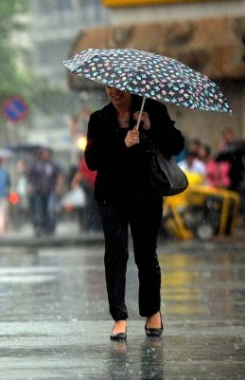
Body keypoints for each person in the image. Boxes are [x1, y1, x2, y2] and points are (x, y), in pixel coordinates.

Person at [85, 86, 184, 341]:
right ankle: (119, 317)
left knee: (146, 255)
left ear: (130, 87)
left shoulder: (151, 110)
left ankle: (152, 312)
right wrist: (122, 142)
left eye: (120, 89)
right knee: (116, 255)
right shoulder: (99, 118)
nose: (114, 93)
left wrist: (153, 127)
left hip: (146, 194)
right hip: (111, 197)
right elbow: (92, 159)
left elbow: (176, 145)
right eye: (109, 88)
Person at [25, 147, 63, 236]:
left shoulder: (54, 165)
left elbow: (60, 175)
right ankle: (40, 227)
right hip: (38, 190)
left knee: (51, 208)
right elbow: (29, 177)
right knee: (39, 209)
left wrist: (59, 186)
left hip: (51, 189)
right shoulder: (34, 165)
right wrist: (30, 186)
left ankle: (51, 227)